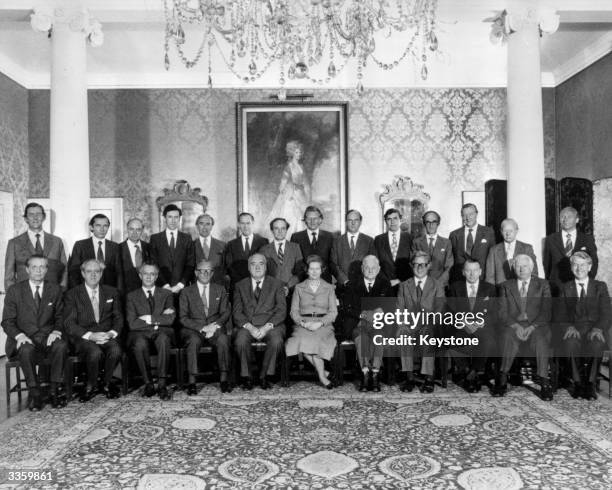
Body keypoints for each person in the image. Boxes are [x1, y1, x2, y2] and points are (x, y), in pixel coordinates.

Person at [1, 255, 67, 410]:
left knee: (61, 345)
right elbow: (7, 321)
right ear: (27, 269)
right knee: (25, 349)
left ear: (46, 270)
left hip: (47, 337)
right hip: (24, 337)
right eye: (34, 267)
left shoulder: (55, 289)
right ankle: (35, 392)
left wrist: (57, 331)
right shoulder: (15, 290)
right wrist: (20, 336)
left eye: (42, 267)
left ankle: (53, 390)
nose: (38, 271)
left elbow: (60, 316)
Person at [494, 254, 553, 400]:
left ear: (531, 268)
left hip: (536, 326)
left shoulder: (543, 284)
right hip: (513, 325)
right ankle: (502, 379)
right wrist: (515, 326)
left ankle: (544, 383)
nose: (521, 269)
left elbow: (546, 311)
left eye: (525, 266)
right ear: (514, 268)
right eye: (518, 266)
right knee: (507, 337)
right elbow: (502, 312)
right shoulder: (506, 286)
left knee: (540, 340)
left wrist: (532, 327)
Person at [64, 259, 124, 402]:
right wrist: (91, 336)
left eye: (96, 271)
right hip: (84, 337)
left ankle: (107, 383)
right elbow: (69, 323)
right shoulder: (72, 294)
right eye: (89, 272)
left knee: (116, 350)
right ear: (83, 273)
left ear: (101, 273)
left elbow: (119, 318)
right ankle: (91, 385)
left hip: (106, 335)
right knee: (95, 352)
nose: (93, 275)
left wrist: (111, 334)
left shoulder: (112, 292)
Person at [556, 251, 611, 400]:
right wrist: (568, 327)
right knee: (570, 343)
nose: (579, 268)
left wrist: (598, 328)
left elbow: (606, 312)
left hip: (594, 328)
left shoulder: (600, 286)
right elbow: (560, 313)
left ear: (589, 267)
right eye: (575, 265)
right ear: (571, 267)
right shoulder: (565, 287)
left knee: (597, 344)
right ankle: (578, 383)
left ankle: (590, 384)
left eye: (583, 265)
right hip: (574, 328)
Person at [232, 254, 286, 390]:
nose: (257, 267)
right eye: (253, 264)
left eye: (261, 264)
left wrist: (266, 328)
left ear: (266, 267)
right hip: (248, 325)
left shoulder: (277, 284)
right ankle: (247, 376)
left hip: (271, 324)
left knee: (276, 341)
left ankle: (265, 376)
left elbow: (281, 311)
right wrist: (250, 328)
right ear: (248, 267)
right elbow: (237, 312)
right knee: (240, 341)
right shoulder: (240, 285)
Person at [342, 255, 394, 392]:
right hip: (358, 323)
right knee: (362, 338)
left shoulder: (385, 284)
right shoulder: (352, 284)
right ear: (362, 268)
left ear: (378, 269)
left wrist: (382, 310)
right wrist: (363, 314)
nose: (370, 271)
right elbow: (347, 307)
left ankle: (375, 373)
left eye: (373, 268)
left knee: (378, 337)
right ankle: (365, 373)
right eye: (367, 267)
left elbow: (391, 306)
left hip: (379, 324)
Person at [396, 251, 445, 393]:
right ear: (411, 266)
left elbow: (440, 310)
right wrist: (404, 324)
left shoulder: (437, 285)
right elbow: (399, 309)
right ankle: (409, 377)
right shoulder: (404, 286)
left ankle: (429, 378)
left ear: (429, 266)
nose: (419, 268)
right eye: (416, 264)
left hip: (429, 325)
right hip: (410, 325)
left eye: (423, 264)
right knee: (404, 333)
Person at [179, 260, 231, 394]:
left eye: (209, 271)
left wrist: (215, 326)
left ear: (212, 273)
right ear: (196, 272)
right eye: (202, 270)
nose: (205, 273)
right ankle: (192, 382)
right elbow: (183, 318)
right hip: (194, 329)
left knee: (223, 340)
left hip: (215, 327)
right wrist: (202, 328)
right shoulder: (186, 292)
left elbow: (225, 312)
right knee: (193, 342)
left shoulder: (220, 289)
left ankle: (224, 379)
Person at [126, 262, 176, 400]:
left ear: (156, 276)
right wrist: (159, 319)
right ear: (140, 275)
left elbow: (170, 319)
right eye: (145, 274)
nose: (149, 277)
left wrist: (148, 318)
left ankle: (162, 384)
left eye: (152, 274)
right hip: (139, 334)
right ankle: (148, 383)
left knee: (164, 339)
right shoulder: (131, 296)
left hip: (162, 332)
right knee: (140, 343)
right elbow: (132, 323)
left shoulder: (166, 294)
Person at [286, 255, 338, 389]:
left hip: (323, 324)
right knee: (298, 339)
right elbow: (294, 312)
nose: (314, 272)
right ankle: (323, 374)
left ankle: (321, 376)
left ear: (322, 270)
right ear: (307, 270)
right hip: (303, 324)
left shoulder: (329, 288)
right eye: (311, 269)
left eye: (317, 269)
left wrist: (320, 323)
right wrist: (304, 323)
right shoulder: (299, 287)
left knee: (315, 340)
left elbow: (333, 312)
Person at [447, 260, 497, 392]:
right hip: (462, 326)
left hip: (482, 327)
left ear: (480, 272)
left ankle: (472, 374)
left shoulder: (490, 288)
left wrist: (479, 323)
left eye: (475, 270)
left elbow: (494, 312)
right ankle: (467, 370)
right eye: (468, 270)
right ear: (463, 272)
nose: (472, 274)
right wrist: (463, 322)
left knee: (487, 339)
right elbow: (450, 311)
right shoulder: (455, 287)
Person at [4, 202, 67, 289]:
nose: (35, 217)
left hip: (52, 295)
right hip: (24, 296)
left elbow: (64, 270)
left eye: (38, 214)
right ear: (26, 219)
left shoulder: (57, 242)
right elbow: (9, 276)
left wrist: (62, 293)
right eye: (31, 214)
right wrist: (13, 298)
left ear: (44, 217)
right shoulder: (14, 243)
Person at [543, 206, 598, 295]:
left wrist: (586, 280)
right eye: (562, 217)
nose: (565, 219)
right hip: (557, 287)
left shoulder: (587, 239)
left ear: (577, 220)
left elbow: (594, 262)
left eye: (569, 216)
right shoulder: (550, 239)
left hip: (580, 286)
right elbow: (547, 264)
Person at [266, 140, 311, 237]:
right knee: (291, 217)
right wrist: (288, 194)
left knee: (302, 218)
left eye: (300, 152)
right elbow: (282, 185)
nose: (299, 154)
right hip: (291, 195)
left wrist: (305, 193)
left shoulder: (301, 167)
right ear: (292, 153)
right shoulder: (289, 166)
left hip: (301, 195)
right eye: (296, 152)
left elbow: (305, 182)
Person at [68, 214, 123, 291]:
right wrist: (77, 293)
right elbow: (74, 273)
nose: (102, 229)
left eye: (105, 226)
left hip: (109, 291)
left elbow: (119, 273)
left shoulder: (115, 247)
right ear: (91, 227)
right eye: (98, 225)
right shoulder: (80, 245)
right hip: (85, 291)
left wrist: (118, 293)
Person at [149, 204, 195, 293]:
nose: (173, 220)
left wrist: (180, 285)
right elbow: (154, 264)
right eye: (170, 217)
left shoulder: (187, 238)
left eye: (176, 217)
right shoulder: (155, 239)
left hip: (182, 289)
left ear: (179, 219)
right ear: (164, 218)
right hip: (161, 287)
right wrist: (165, 285)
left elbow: (190, 264)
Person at [449, 203, 495, 283]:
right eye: (464, 215)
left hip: (482, 279)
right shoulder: (454, 235)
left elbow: (492, 258)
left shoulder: (488, 232)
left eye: (471, 214)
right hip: (460, 281)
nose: (468, 218)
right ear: (462, 217)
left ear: (476, 214)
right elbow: (451, 259)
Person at [330, 209, 375, 290]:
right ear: (346, 222)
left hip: (363, 286)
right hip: (343, 286)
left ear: (360, 222)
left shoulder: (369, 241)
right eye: (350, 220)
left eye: (356, 220)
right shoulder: (337, 241)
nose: (353, 223)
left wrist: (362, 281)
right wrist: (344, 280)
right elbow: (333, 264)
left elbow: (372, 264)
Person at [486, 218, 538, 286]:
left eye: (511, 231)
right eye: (505, 231)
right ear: (501, 231)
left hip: (521, 291)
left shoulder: (527, 248)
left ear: (516, 231)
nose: (508, 234)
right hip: (500, 290)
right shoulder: (494, 250)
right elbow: (490, 277)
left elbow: (534, 273)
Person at [260, 218, 303, 296]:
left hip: (292, 291)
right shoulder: (264, 249)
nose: (280, 231)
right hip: (271, 293)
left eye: (283, 228)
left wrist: (287, 287)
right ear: (272, 230)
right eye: (276, 228)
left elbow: (299, 272)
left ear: (286, 230)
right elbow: (263, 273)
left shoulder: (295, 247)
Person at [290, 206, 334, 283]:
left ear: (320, 220)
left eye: (315, 218)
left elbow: (332, 261)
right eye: (309, 218)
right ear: (305, 220)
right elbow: (294, 262)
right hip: (303, 282)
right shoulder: (296, 237)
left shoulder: (329, 237)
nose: (312, 221)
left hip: (324, 282)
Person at [411, 210, 453, 289]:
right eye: (428, 222)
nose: (431, 225)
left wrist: (438, 283)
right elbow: (412, 264)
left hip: (441, 286)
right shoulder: (416, 242)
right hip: (421, 285)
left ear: (438, 223)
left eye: (434, 222)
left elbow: (449, 267)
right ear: (424, 224)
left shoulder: (446, 243)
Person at [225, 212, 268, 290]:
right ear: (238, 225)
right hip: (238, 286)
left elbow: (265, 264)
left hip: (258, 286)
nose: (245, 227)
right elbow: (229, 266)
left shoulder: (263, 242)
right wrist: (243, 282)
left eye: (248, 223)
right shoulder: (231, 244)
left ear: (253, 223)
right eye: (242, 223)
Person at [374, 208, 412, 288]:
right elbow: (376, 263)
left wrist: (400, 280)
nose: (392, 222)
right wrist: (386, 282)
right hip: (385, 285)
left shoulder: (410, 238)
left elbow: (412, 263)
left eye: (395, 218)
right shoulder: (378, 240)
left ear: (400, 220)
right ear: (385, 221)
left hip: (406, 284)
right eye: (389, 219)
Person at [194, 213, 227, 287]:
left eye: (208, 224)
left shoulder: (222, 245)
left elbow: (225, 268)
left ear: (212, 226)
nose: (204, 227)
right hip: (196, 287)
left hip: (218, 287)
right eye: (201, 223)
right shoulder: (190, 246)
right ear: (197, 226)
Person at [120, 217, 151, 294]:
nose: (134, 232)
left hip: (146, 291)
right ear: (127, 229)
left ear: (142, 230)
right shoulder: (118, 248)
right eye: (131, 229)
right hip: (125, 293)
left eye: (138, 229)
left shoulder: (149, 247)